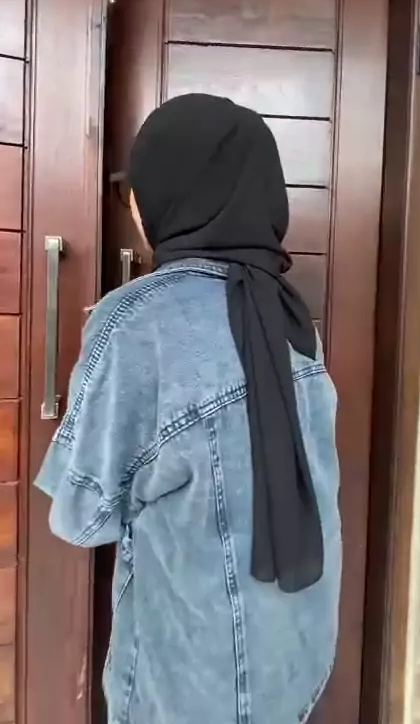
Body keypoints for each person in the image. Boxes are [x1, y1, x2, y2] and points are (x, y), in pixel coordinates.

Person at [35, 94, 342, 724]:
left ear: (169, 194)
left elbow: (81, 517)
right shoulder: (289, 315)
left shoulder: (137, 320)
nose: (133, 206)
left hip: (192, 684)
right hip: (298, 660)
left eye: (137, 190)